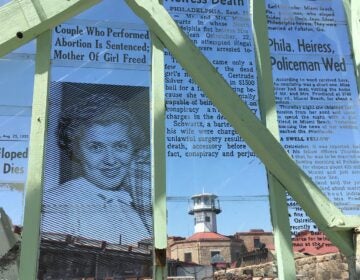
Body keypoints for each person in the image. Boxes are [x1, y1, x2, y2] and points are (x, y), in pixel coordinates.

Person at [41, 94, 151, 245]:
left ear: (132, 147)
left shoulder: (129, 202)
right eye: (96, 147)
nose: (111, 160)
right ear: (76, 151)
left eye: (120, 146)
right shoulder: (58, 202)